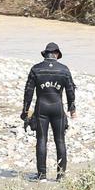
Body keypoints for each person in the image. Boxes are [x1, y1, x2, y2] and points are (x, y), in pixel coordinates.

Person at [21, 42, 77, 181]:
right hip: (57, 108)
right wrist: (72, 109)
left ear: (45, 54)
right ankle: (61, 176)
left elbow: (28, 91)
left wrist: (25, 111)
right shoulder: (64, 70)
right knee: (60, 141)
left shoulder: (36, 69)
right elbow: (70, 90)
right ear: (57, 54)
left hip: (42, 108)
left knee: (41, 140)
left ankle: (42, 176)